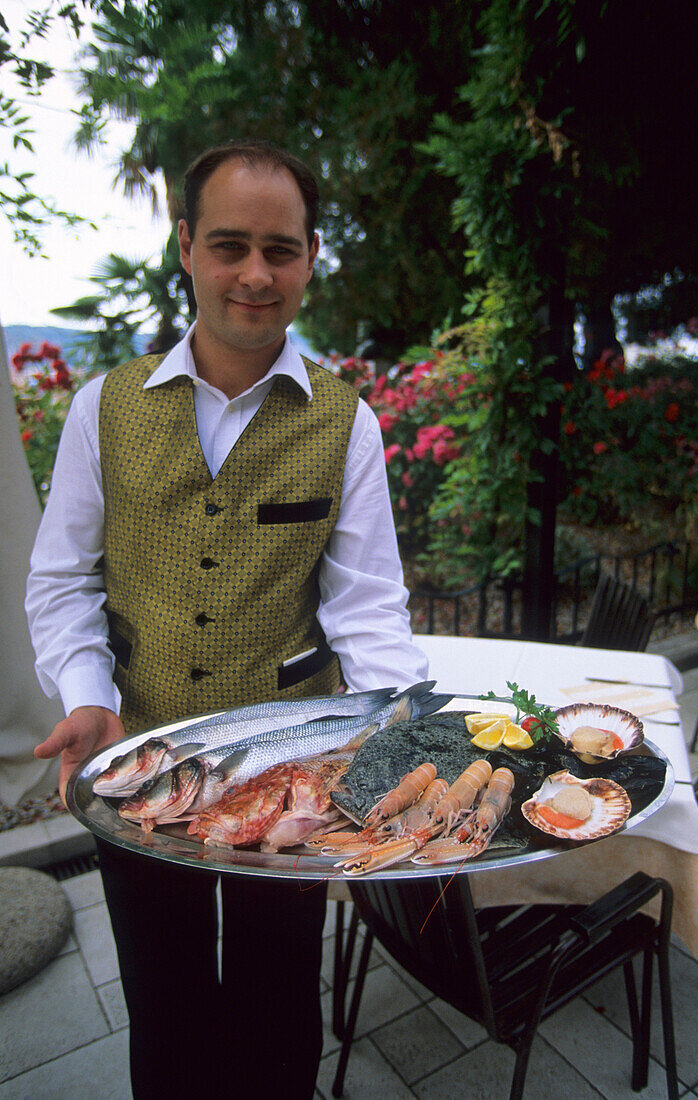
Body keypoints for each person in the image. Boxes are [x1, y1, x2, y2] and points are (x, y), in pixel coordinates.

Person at [26, 140, 428, 1099]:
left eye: (280, 250)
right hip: (146, 760)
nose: (255, 274)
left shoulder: (347, 422)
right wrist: (86, 693)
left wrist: (415, 743)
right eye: (230, 244)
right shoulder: (102, 408)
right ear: (186, 246)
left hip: (295, 772)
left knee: (277, 1002)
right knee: (163, 1011)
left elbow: (368, 605)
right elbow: (60, 578)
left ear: (311, 256)